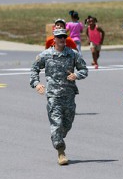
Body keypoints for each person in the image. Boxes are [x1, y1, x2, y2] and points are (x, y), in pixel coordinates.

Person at [30, 28, 88, 166]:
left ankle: (58, 138)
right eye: (59, 37)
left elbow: (84, 69)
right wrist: (36, 84)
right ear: (54, 39)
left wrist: (77, 75)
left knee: (66, 125)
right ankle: (61, 151)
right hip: (53, 96)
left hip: (69, 95)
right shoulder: (46, 55)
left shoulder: (73, 54)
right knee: (56, 124)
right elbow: (34, 69)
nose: (62, 39)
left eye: (64, 37)